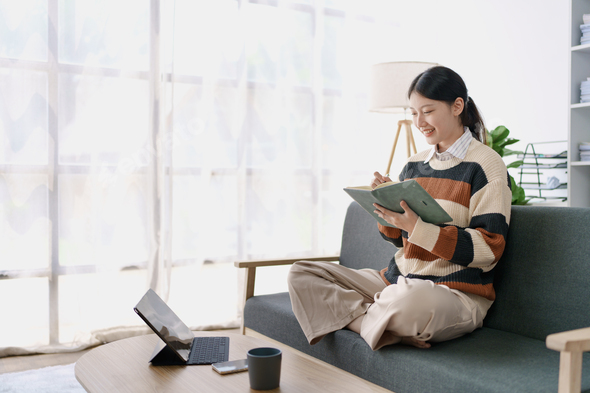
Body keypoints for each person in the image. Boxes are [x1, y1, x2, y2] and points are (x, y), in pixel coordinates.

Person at [287, 65, 512, 350]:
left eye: (427, 111)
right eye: (414, 113)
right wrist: (386, 205)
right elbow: (398, 239)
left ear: (457, 106)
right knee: (302, 274)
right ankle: (381, 327)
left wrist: (419, 229)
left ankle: (370, 315)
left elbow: (489, 250)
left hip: (453, 293)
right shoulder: (414, 165)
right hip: (399, 282)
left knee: (406, 301)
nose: (419, 122)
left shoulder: (486, 165)